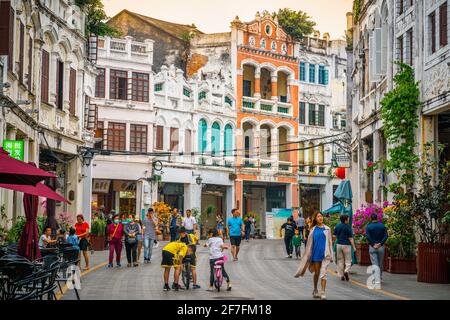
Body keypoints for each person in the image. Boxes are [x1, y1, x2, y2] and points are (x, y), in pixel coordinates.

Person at [295, 211, 333, 300]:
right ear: (315, 218)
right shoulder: (313, 230)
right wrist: (307, 256)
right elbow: (309, 244)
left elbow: (330, 242)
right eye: (318, 216)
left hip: (325, 255)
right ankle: (315, 289)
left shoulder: (327, 229)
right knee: (317, 273)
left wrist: (331, 255)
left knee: (323, 273)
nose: (320, 218)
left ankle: (323, 292)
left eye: (321, 216)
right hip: (316, 254)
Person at [365, 213, 388, 282]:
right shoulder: (382, 226)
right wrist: (380, 243)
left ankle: (376, 277)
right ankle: (380, 277)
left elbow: (368, 236)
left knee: (375, 263)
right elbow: (386, 236)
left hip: (372, 247)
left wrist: (373, 244)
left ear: (371, 219)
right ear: (377, 218)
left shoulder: (369, 227)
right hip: (381, 247)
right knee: (380, 263)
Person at [333, 214, 356, 281]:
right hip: (346, 245)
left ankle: (341, 275)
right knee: (348, 260)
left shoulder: (337, 226)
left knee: (340, 260)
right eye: (348, 219)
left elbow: (334, 236)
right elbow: (351, 238)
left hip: (339, 244)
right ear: (346, 220)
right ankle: (346, 270)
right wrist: (354, 247)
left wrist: (339, 238)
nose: (349, 220)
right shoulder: (348, 227)